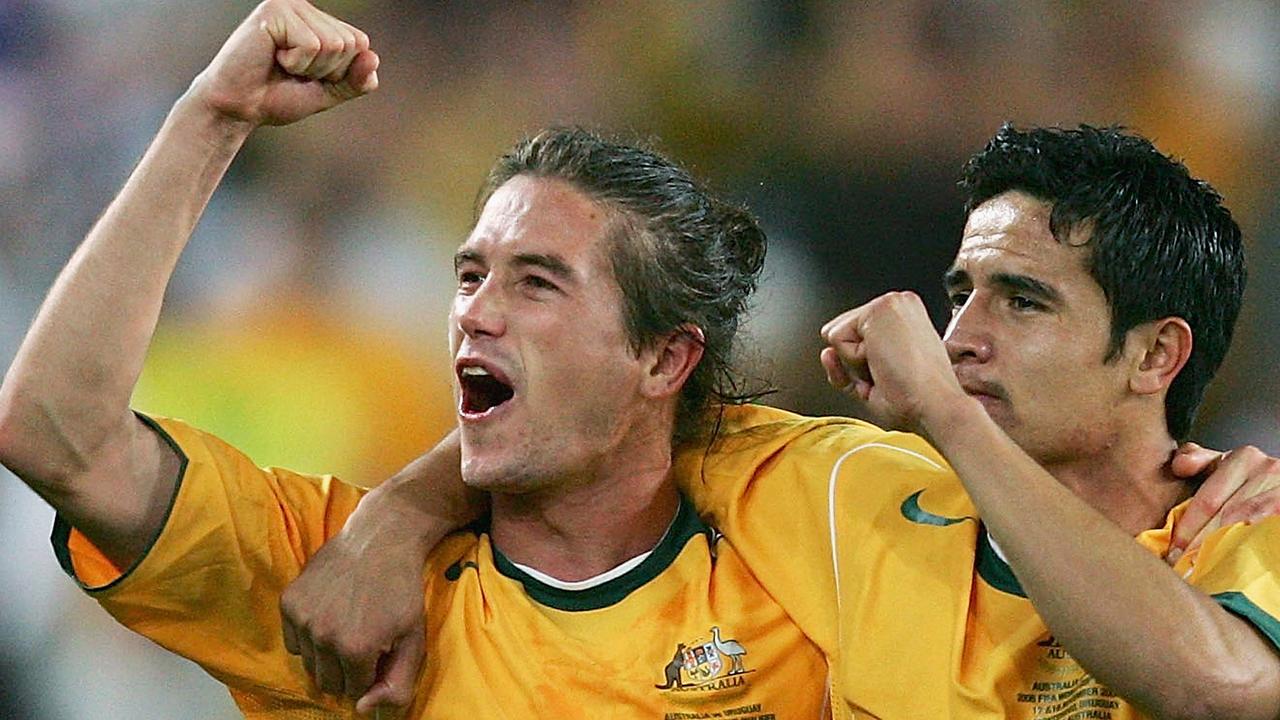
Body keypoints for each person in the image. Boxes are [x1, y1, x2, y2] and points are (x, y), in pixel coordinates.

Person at [0, 1, 833, 717]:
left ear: (663, 360)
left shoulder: (808, 562)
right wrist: (210, 118)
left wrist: (404, 511)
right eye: (470, 275)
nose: (476, 310)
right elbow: (55, 435)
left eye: (537, 283)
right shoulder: (339, 600)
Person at [281, 125, 1280, 719]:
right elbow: (596, 418)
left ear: (1154, 355)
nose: (960, 335)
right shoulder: (848, 491)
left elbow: (1215, 690)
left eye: (1021, 301)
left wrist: (945, 415)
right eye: (957, 292)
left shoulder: (1248, 524)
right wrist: (392, 520)